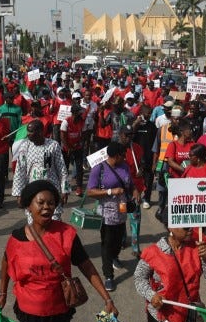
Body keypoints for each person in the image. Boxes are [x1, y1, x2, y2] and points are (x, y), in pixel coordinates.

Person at [0, 180, 118, 322]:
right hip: (28, 313)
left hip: (59, 312)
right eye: (40, 203)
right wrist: (2, 294)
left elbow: (87, 266)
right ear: (29, 206)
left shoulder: (66, 234)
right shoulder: (16, 238)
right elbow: (6, 261)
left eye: (51, 203)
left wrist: (107, 298)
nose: (46, 207)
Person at [86, 142, 139, 292]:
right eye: (123, 155)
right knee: (107, 244)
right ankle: (108, 275)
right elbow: (90, 191)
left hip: (121, 212)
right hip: (106, 214)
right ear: (115, 156)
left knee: (118, 241)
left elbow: (130, 183)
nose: (125, 158)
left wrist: (135, 191)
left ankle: (114, 257)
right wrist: (110, 191)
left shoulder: (124, 166)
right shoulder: (99, 169)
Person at [12, 120, 69, 221]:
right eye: (28, 131)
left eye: (31, 131)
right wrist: (19, 194)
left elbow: (62, 169)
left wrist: (65, 190)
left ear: (40, 132)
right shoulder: (25, 147)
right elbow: (19, 171)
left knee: (53, 222)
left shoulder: (53, 145)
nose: (28, 134)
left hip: (52, 190)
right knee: (34, 223)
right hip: (33, 192)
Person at [119, 125, 145, 257]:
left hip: (135, 190)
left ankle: (135, 246)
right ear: (120, 135)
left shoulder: (138, 148)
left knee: (135, 219)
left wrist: (141, 170)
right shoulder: (115, 150)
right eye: (126, 135)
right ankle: (122, 240)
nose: (129, 137)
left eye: (131, 134)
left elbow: (142, 164)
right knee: (122, 217)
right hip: (121, 192)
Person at [60, 100, 87, 196]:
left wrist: (78, 143)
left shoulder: (82, 122)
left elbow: (83, 135)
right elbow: (62, 136)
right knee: (65, 168)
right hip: (66, 148)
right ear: (74, 113)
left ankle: (79, 187)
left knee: (79, 167)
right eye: (79, 112)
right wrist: (68, 148)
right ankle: (65, 186)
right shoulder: (66, 122)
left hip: (77, 147)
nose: (81, 114)